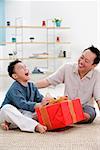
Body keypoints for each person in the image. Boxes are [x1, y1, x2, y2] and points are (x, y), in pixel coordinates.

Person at [36, 45, 100, 123]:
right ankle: (70, 117)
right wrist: (30, 85)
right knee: (51, 107)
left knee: (88, 115)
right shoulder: (68, 67)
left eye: (86, 61)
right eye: (82, 57)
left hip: (85, 107)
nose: (81, 62)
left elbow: (98, 98)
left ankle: (69, 117)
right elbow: (48, 81)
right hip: (68, 105)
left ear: (93, 65)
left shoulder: (97, 75)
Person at [0, 59, 49, 133]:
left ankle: (10, 123)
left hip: (22, 115)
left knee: (31, 113)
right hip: (9, 113)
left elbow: (39, 98)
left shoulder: (32, 86)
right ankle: (35, 126)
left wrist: (46, 101)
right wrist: (37, 105)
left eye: (25, 67)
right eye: (21, 68)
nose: (26, 69)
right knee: (6, 108)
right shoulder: (14, 88)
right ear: (15, 76)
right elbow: (22, 104)